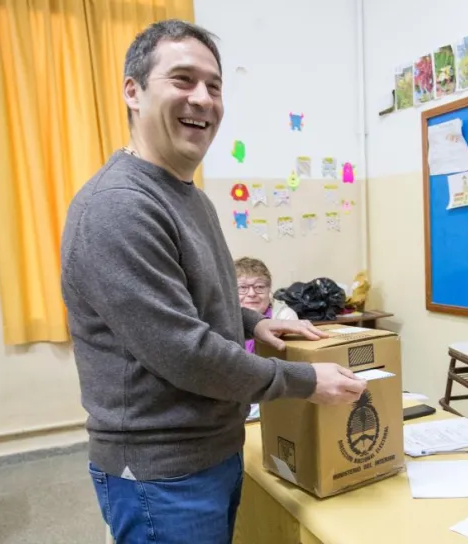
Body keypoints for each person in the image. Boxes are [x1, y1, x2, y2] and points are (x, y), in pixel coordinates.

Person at [60, 20, 365, 544]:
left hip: (213, 449)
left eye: (214, 85)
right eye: (182, 80)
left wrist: (254, 322)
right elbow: (185, 352)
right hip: (163, 472)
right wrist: (305, 384)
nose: (202, 99)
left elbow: (198, 302)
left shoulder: (189, 196)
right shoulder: (120, 207)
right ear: (132, 92)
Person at [234, 257, 298, 354]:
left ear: (269, 289)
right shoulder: (223, 319)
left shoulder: (285, 317)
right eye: (242, 287)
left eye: (259, 287)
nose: (251, 294)